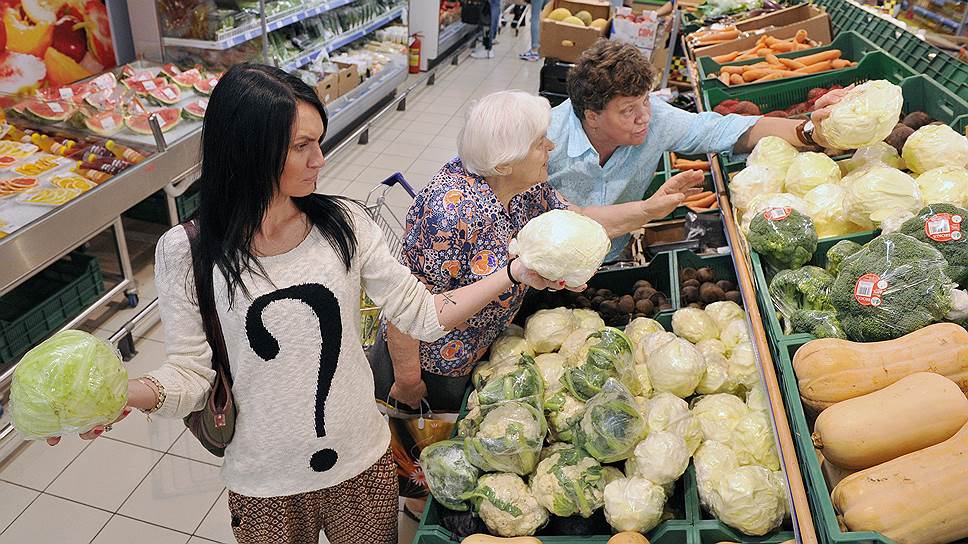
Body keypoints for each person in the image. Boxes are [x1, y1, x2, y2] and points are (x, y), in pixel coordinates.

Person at [44, 65, 567, 544]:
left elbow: (422, 314)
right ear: (248, 149)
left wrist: (514, 272)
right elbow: (191, 375)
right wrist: (121, 393)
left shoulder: (345, 225)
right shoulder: (187, 251)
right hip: (264, 481)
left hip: (361, 464)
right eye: (301, 146)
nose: (321, 159)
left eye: (319, 141)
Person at [376, 89, 701, 415]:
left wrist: (650, 208)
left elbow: (581, 219)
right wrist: (407, 381)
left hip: (485, 346)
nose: (551, 147)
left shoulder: (522, 187)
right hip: (436, 365)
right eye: (538, 143)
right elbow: (406, 308)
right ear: (505, 164)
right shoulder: (449, 212)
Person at [547, 40, 850, 260]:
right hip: (546, 264)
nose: (645, 117)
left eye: (646, 101)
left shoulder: (655, 120)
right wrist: (646, 211)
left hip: (611, 255)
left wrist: (812, 130)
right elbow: (552, 217)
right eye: (628, 110)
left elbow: (725, 130)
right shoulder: (546, 139)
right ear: (592, 115)